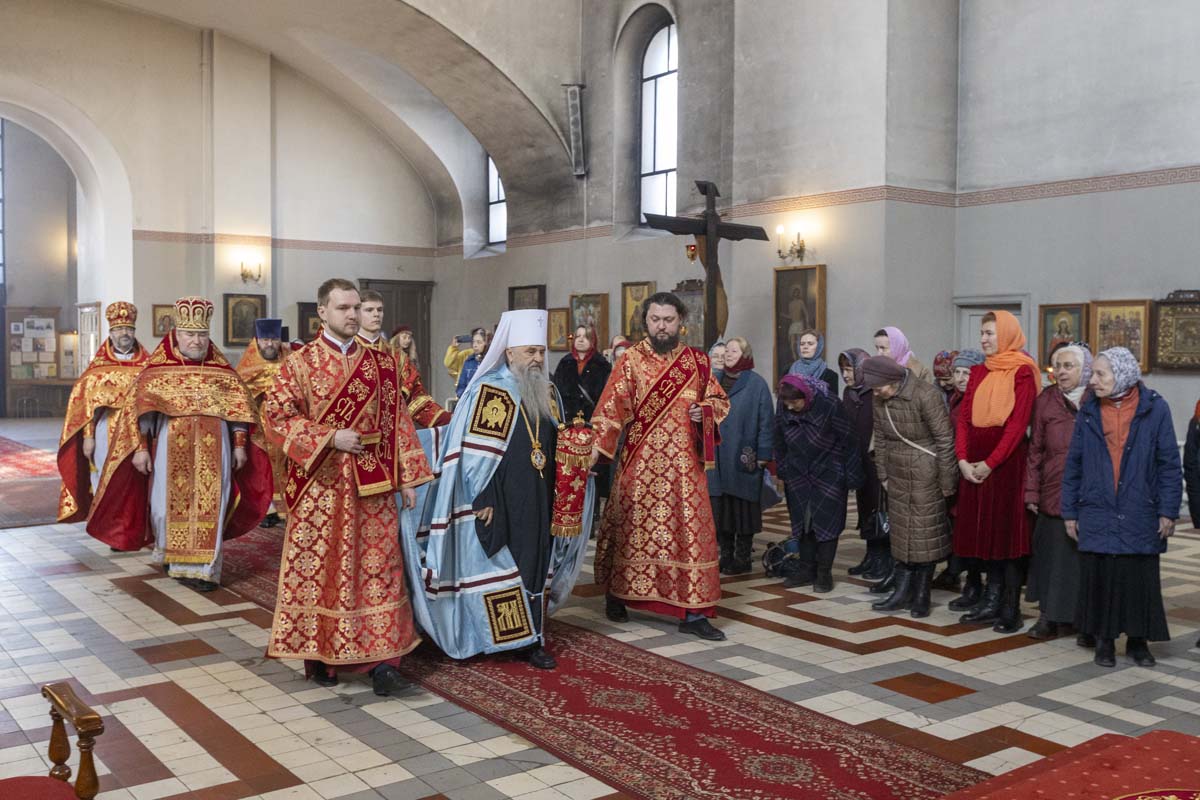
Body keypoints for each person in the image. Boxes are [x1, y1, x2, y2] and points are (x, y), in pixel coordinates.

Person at [262, 279, 432, 694]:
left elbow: (399, 422)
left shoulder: (384, 363)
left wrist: (408, 475)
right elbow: (276, 416)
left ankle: (383, 662)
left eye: (357, 307)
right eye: (344, 308)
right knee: (323, 570)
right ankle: (322, 656)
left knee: (379, 570)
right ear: (322, 312)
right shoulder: (298, 365)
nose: (353, 315)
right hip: (319, 486)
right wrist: (328, 437)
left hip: (374, 485)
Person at [413, 309, 596, 669]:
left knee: (537, 562)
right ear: (509, 352)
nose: (537, 360)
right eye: (529, 352)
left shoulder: (548, 391)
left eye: (541, 352)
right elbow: (474, 453)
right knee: (505, 564)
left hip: (541, 493)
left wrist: (578, 455)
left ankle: (533, 638)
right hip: (501, 498)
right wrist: (484, 497)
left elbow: (556, 440)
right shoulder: (490, 392)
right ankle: (501, 637)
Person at [87, 297, 272, 589]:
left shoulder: (223, 373)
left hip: (217, 450)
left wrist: (238, 445)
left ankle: (205, 570)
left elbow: (240, 412)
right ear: (176, 334)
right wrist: (140, 450)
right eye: (190, 334)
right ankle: (174, 559)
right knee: (163, 507)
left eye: (201, 335)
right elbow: (141, 415)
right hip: (168, 451)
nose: (196, 341)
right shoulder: (156, 372)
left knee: (214, 504)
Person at [591, 292, 730, 640]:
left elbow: (718, 399)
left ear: (681, 322)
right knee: (631, 531)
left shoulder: (697, 362)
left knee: (691, 536)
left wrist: (706, 412)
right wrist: (592, 452)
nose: (662, 326)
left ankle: (694, 612)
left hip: (685, 469)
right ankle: (618, 595)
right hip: (640, 466)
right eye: (656, 320)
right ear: (646, 322)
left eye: (669, 319)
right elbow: (609, 410)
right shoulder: (631, 361)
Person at [1061, 347, 1182, 668]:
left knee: (1137, 577)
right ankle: (1104, 640)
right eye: (1093, 373)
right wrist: (1070, 511)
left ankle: (1139, 642)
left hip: (1140, 507)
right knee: (1101, 575)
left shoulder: (1155, 408)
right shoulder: (1088, 410)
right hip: (1097, 506)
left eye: (1101, 374)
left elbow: (1169, 463)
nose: (1093, 380)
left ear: (1122, 375)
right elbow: (1073, 464)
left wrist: (1168, 510)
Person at [953, 311, 1041, 634]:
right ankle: (989, 601)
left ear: (1005, 334)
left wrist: (990, 463)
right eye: (982, 333)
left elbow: (1017, 427)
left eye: (990, 333)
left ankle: (1010, 608)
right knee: (983, 534)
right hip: (974, 463)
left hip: (1005, 465)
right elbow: (963, 420)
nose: (984, 339)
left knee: (1006, 537)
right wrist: (962, 459)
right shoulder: (978, 372)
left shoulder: (1023, 373)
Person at [861, 356, 957, 617]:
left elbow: (945, 440)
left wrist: (947, 481)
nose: (876, 392)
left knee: (924, 534)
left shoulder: (926, 395)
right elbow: (879, 437)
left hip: (926, 473)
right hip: (896, 473)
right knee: (901, 533)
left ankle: (922, 594)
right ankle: (902, 591)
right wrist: (883, 475)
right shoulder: (879, 397)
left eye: (879, 387)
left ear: (893, 381)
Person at [57, 301, 151, 528]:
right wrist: (88, 437)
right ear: (111, 333)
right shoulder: (99, 367)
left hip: (140, 431)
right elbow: (87, 404)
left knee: (136, 480)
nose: (124, 334)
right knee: (104, 478)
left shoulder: (148, 365)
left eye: (129, 329)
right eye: (119, 330)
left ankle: (134, 526)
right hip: (105, 430)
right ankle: (108, 525)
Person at [1024, 343, 1091, 641]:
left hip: (1088, 492)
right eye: (1057, 367)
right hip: (1052, 488)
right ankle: (1047, 617)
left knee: (1079, 560)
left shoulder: (1096, 399)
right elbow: (1035, 451)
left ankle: (1078, 618)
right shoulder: (1046, 400)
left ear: (1084, 370)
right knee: (1050, 557)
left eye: (1068, 366)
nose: (1061, 373)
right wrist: (1031, 491)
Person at [773, 373, 863, 592]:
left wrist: (850, 474)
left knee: (827, 525)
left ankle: (824, 574)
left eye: (795, 402)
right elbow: (779, 438)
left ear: (806, 395)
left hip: (829, 472)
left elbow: (849, 440)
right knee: (803, 524)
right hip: (798, 473)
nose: (790, 407)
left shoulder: (830, 404)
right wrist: (783, 468)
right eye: (786, 403)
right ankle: (805, 570)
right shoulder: (784, 406)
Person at [707, 337, 774, 575]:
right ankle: (725, 554)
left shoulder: (757, 384)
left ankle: (743, 557)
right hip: (716, 454)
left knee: (743, 508)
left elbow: (767, 421)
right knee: (722, 507)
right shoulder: (712, 380)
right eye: (726, 351)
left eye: (734, 351)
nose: (727, 354)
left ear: (745, 354)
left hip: (744, 454)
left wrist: (765, 453)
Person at [940, 348, 988, 603]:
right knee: (958, 529)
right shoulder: (955, 399)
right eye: (957, 372)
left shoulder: (980, 399)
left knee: (973, 531)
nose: (960, 377)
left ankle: (975, 583)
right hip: (954, 472)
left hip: (972, 472)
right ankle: (959, 574)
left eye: (966, 372)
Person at [838, 348, 889, 581]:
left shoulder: (875, 393)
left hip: (875, 461)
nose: (846, 375)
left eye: (849, 369)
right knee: (865, 509)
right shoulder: (849, 394)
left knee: (880, 509)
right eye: (843, 370)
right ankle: (871, 555)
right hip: (856, 460)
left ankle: (883, 558)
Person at [235, 318, 291, 528]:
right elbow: (240, 397)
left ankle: (286, 508)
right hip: (261, 428)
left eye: (274, 339)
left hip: (288, 426)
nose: (269, 344)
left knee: (286, 469)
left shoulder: (290, 360)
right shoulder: (249, 365)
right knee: (263, 469)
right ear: (257, 340)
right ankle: (268, 509)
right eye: (265, 339)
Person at [391, 324, 451, 428]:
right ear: (397, 338)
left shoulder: (408, 357)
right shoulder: (394, 356)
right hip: (404, 399)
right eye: (404, 337)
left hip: (416, 396)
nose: (407, 340)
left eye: (409, 338)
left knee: (442, 417)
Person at [788, 329, 839, 396]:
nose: (805, 347)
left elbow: (833, 404)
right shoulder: (788, 370)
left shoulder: (830, 376)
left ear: (819, 347)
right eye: (802, 344)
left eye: (810, 344)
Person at [456, 327, 489, 397]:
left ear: (486, 343)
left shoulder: (492, 362)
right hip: (470, 402)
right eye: (473, 342)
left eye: (479, 342)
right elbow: (460, 388)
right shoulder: (469, 362)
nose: (475, 345)